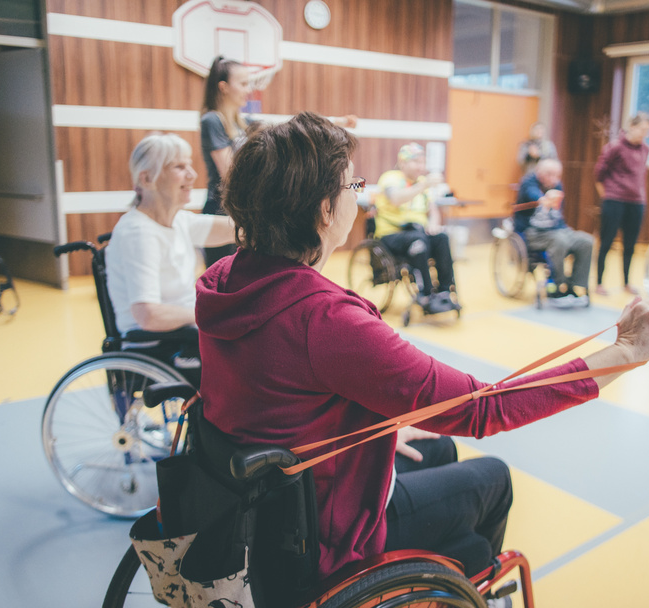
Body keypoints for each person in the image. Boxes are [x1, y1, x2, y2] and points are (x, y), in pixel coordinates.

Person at [195, 113, 649, 602]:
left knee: (439, 451)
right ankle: (466, 604)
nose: (358, 195)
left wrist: (374, 424)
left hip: (259, 509)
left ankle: (458, 573)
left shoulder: (225, 280)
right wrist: (625, 353)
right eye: (352, 184)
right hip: (320, 537)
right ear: (324, 209)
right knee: (492, 478)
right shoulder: (323, 320)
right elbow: (484, 409)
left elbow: (275, 394)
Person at [199, 56, 357, 267]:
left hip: (241, 212)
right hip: (222, 210)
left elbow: (288, 129)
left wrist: (336, 122)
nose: (249, 89)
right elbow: (230, 173)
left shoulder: (242, 122)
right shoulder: (212, 121)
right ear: (224, 87)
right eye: (243, 83)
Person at [105, 134, 234, 382]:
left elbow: (233, 229)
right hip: (158, 343)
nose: (192, 175)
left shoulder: (177, 220)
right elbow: (148, 315)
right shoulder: (139, 232)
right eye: (179, 167)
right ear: (146, 178)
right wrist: (208, 314)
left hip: (183, 332)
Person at [374, 142, 458, 314]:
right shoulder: (391, 178)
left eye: (423, 162)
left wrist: (434, 224)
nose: (421, 166)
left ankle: (444, 290)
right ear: (403, 163)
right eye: (416, 162)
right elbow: (395, 199)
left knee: (441, 238)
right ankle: (426, 294)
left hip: (418, 232)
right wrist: (424, 185)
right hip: (392, 234)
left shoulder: (422, 184)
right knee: (417, 240)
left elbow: (433, 211)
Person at [514, 158, 594, 307]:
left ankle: (573, 286)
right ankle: (558, 287)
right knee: (560, 241)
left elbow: (558, 214)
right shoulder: (528, 182)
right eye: (549, 174)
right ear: (539, 172)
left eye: (557, 175)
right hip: (533, 232)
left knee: (586, 241)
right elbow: (532, 194)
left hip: (557, 229)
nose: (554, 179)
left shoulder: (557, 185)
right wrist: (543, 199)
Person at [594, 112, 649, 296]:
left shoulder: (645, 149)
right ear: (632, 127)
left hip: (636, 202)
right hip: (614, 199)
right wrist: (608, 197)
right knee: (607, 242)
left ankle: (626, 282)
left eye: (647, 131)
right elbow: (599, 175)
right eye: (642, 129)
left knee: (630, 244)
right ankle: (599, 283)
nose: (644, 134)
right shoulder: (614, 147)